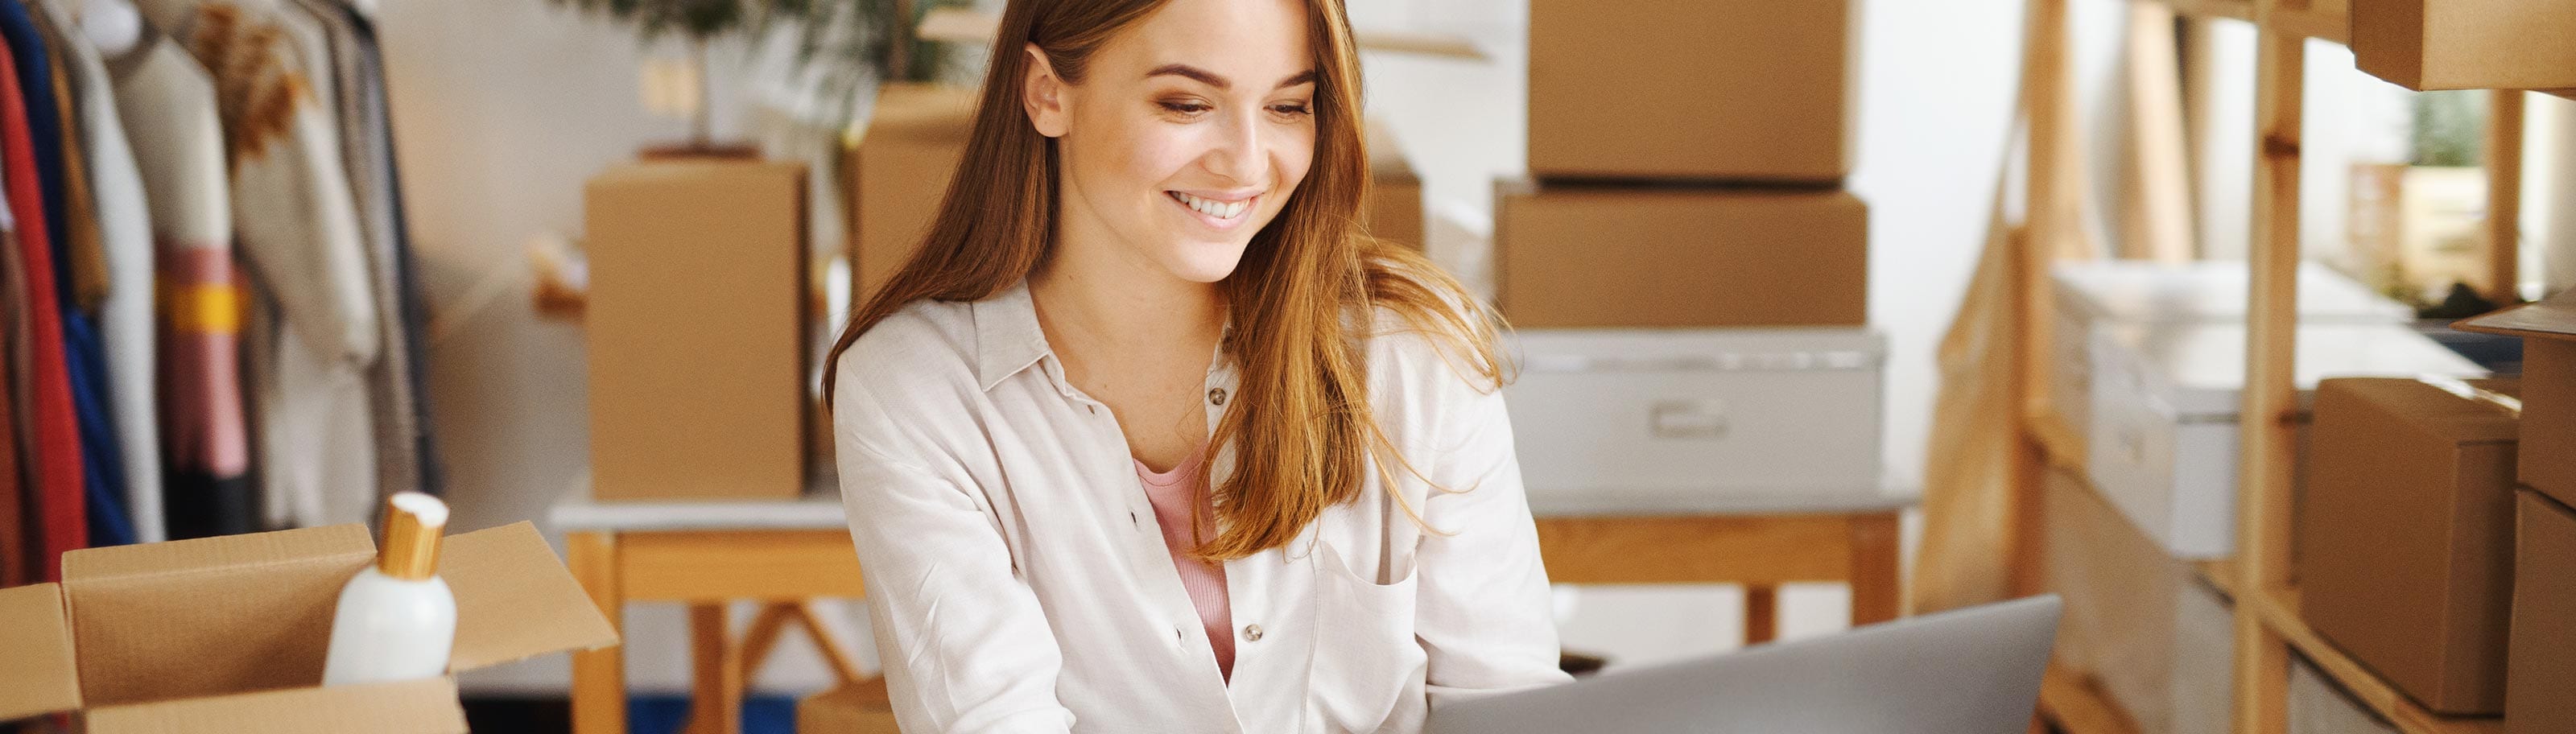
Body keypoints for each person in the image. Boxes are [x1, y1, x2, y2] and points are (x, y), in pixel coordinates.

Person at [823, 0, 1569, 730]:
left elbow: (1508, 705)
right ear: (1047, 93)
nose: (1246, 162)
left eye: (1287, 107)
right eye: (1186, 104)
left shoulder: (1412, 354)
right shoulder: (916, 388)